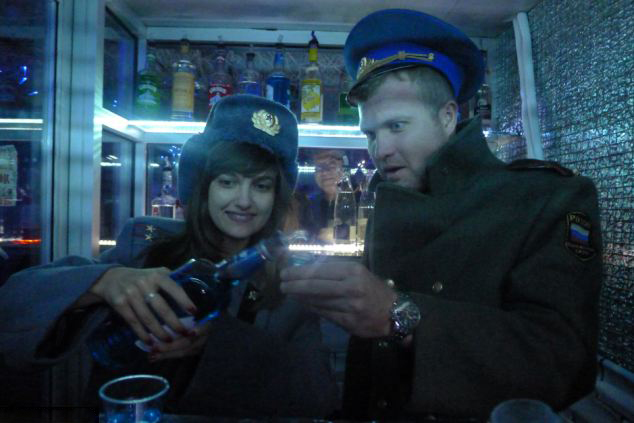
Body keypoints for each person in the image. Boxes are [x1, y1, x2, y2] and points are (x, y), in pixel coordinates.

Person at [280, 8, 603, 422]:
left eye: (397, 126)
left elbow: (564, 362)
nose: (381, 150)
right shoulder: (388, 196)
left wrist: (400, 315)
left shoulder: (546, 198)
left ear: (448, 116)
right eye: (371, 133)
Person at [0, 95, 338, 418]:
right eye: (228, 182)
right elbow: (13, 304)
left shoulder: (290, 286)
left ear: (276, 196)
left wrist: (220, 342)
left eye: (261, 186)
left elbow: (318, 396)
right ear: (203, 186)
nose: (244, 200)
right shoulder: (144, 245)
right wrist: (103, 281)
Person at [306, 149, 346, 241]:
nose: (324, 172)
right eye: (319, 168)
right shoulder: (308, 205)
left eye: (331, 166)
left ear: (343, 170)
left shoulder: (356, 203)